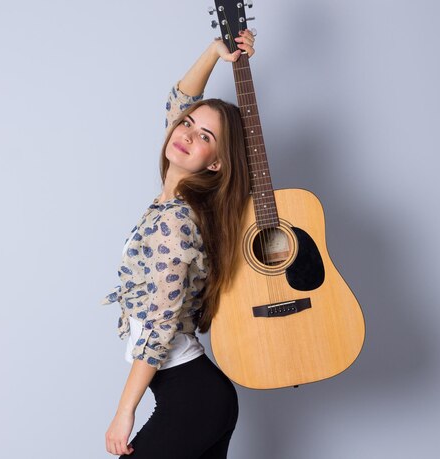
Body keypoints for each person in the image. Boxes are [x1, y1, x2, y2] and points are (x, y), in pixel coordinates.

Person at [100, 29, 256, 458]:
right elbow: (180, 102)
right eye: (187, 124)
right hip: (196, 396)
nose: (187, 133)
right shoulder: (169, 205)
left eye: (205, 137)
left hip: (194, 399)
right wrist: (213, 52)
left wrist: (124, 410)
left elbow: (159, 324)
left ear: (217, 161)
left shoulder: (177, 223)